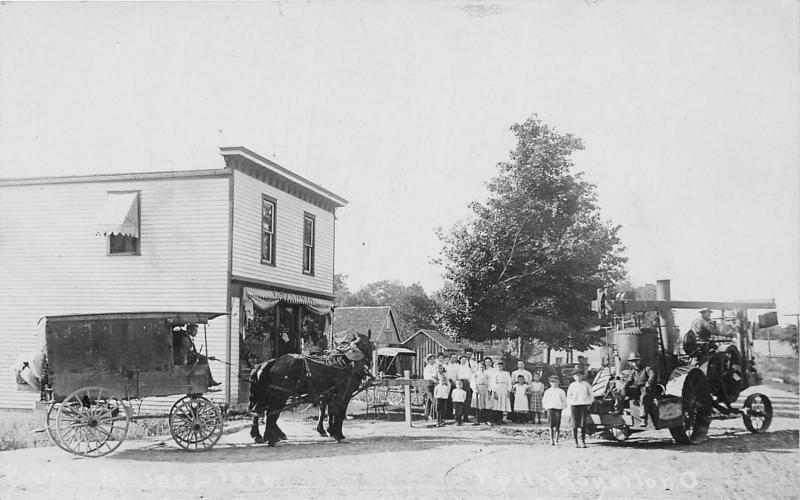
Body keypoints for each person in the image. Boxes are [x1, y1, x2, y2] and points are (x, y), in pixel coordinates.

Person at [627, 353, 656, 427]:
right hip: (637, 389)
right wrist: (624, 387)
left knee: (643, 398)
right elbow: (629, 381)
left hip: (647, 390)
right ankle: (618, 410)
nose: (634, 363)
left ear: (639, 361)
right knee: (622, 393)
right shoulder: (633, 371)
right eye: (632, 361)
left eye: (636, 361)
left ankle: (643, 419)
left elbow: (652, 375)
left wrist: (648, 382)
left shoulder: (647, 368)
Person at [567, 371, 593, 448]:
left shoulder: (586, 384)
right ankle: (575, 441)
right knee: (574, 423)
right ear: (574, 377)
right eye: (576, 376)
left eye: (579, 376)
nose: (578, 377)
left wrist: (590, 402)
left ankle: (583, 441)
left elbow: (591, 394)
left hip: (583, 405)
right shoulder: (572, 385)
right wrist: (570, 403)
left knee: (583, 423)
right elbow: (568, 396)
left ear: (582, 376)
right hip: (574, 405)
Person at [542, 375, 567, 445]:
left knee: (557, 425)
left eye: (556, 382)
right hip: (550, 409)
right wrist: (546, 407)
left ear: (558, 382)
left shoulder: (561, 391)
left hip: (558, 409)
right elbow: (544, 400)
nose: (554, 384)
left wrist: (562, 407)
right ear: (550, 383)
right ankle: (551, 439)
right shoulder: (547, 391)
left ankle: (556, 440)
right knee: (551, 425)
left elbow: (564, 400)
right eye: (553, 382)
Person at [457, 355, 474, 422]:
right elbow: (457, 376)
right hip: (460, 383)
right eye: (462, 359)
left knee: (467, 400)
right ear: (460, 360)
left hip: (467, 384)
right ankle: (459, 417)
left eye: (465, 360)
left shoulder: (469, 368)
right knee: (460, 400)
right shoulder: (458, 368)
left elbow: (471, 376)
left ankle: (466, 417)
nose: (464, 361)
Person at [422, 354, 439, 422]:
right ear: (428, 361)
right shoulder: (427, 368)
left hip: (434, 385)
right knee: (433, 400)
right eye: (430, 359)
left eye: (433, 359)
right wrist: (433, 378)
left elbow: (437, 374)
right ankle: (432, 415)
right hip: (428, 385)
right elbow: (427, 377)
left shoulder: (435, 367)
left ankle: (426, 414)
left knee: (429, 401)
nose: (432, 360)